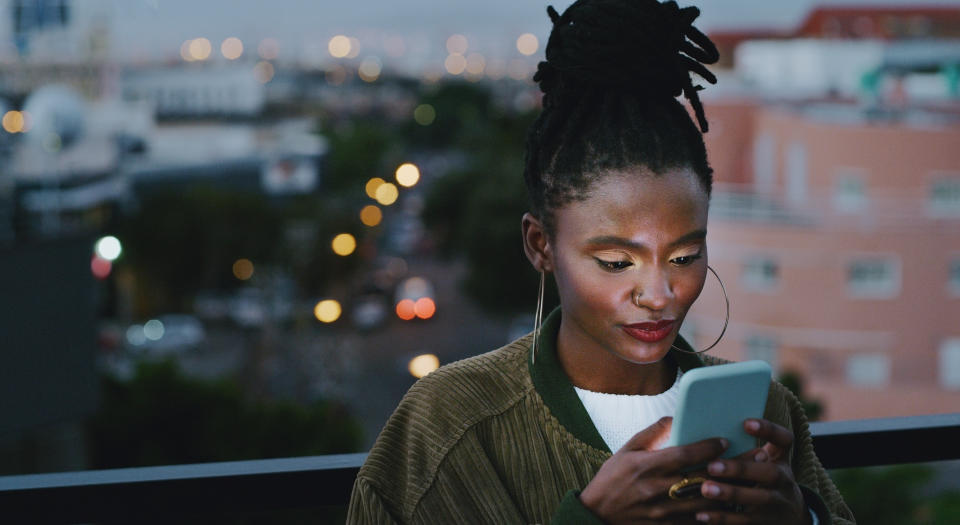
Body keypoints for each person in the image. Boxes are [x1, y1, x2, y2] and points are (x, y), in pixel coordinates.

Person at [347, 0, 856, 523]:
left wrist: (802, 518)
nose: (659, 293)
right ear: (540, 244)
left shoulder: (766, 412)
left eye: (684, 255)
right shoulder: (450, 425)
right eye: (616, 262)